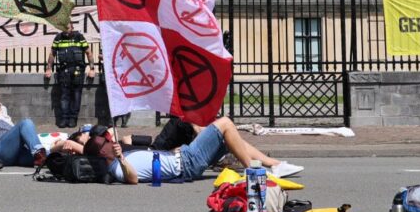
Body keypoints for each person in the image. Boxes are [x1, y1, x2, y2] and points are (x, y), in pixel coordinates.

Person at [103, 117, 304, 184]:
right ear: (104, 154)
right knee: (225, 123)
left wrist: (119, 142)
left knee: (229, 139)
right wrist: (121, 158)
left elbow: (136, 142)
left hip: (182, 157)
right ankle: (254, 172)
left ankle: (274, 165)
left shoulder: (124, 150)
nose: (110, 144)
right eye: (105, 145)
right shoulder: (118, 168)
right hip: (187, 162)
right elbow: (133, 179)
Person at [0, 82, 49, 167]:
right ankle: (38, 152)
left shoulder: (3, 109)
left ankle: (45, 156)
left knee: (48, 158)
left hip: (14, 152)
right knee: (26, 122)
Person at [45, 23, 93, 128]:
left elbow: (88, 52)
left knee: (76, 95)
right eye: (63, 28)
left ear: (72, 28)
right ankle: (64, 118)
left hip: (77, 71)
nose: (65, 30)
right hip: (63, 71)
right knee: (64, 96)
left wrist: (92, 69)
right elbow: (52, 53)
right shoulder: (58, 38)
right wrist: (49, 69)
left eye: (67, 28)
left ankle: (73, 118)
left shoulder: (79, 37)